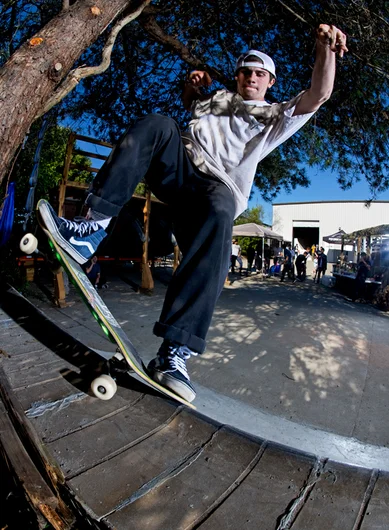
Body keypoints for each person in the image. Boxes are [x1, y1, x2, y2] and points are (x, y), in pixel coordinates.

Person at [38, 24, 347, 402]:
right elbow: (190, 102)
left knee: (222, 215)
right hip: (180, 168)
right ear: (237, 76)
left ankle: (173, 353)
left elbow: (319, 94)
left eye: (260, 74)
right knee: (156, 124)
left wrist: (325, 50)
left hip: (215, 192)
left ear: (270, 82)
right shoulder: (218, 99)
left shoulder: (277, 115)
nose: (252, 77)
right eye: (246, 71)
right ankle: (90, 230)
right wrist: (192, 84)